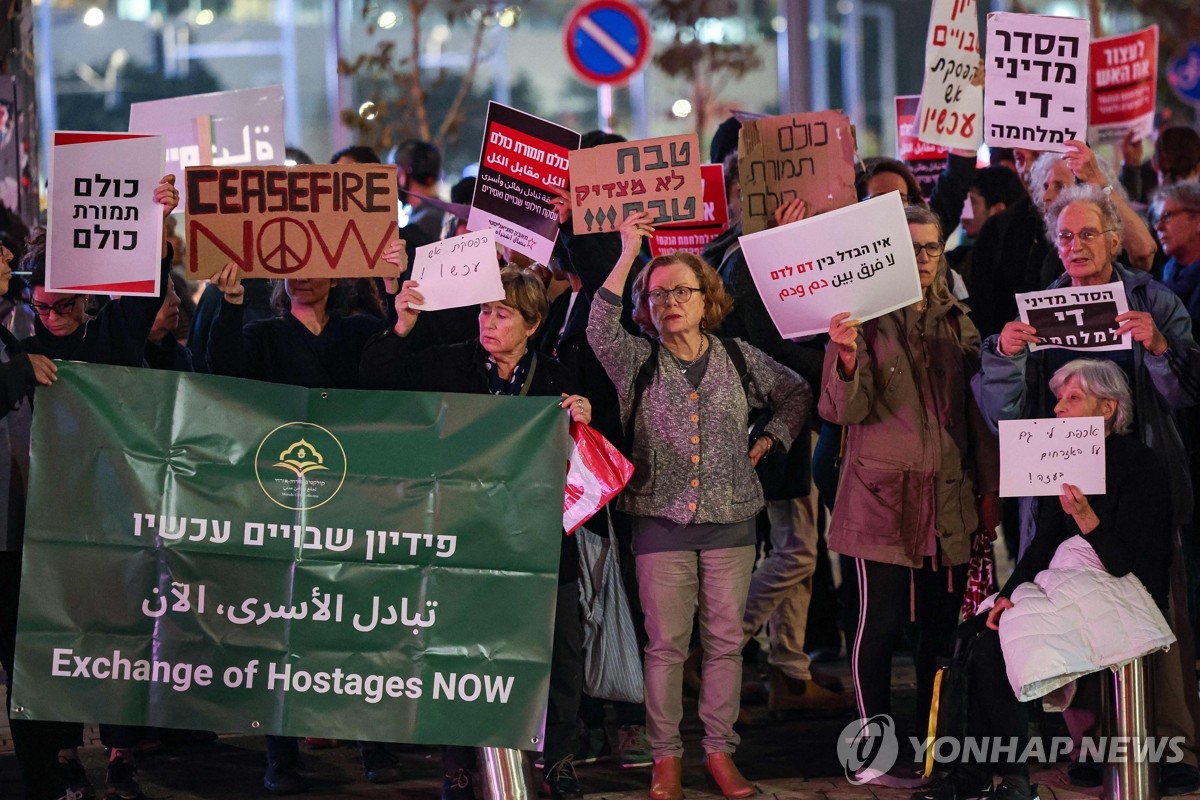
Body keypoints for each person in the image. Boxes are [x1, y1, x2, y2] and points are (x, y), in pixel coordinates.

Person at [979, 182, 1200, 793]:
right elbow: (1006, 414)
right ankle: (1091, 745)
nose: (1076, 245)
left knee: (1154, 607)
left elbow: (1189, 394)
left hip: (1142, 484)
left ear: (1113, 238)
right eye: (1065, 236)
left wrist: (1157, 345)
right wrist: (1003, 354)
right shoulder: (1036, 313)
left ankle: (1173, 745)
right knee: (1066, 605)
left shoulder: (1154, 299)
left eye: (1088, 234)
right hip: (1062, 490)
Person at [587, 212, 808, 800]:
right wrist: (629, 250)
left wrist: (770, 439)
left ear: (706, 298)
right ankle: (665, 759)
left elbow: (796, 392)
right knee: (665, 647)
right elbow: (598, 326)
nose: (669, 302)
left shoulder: (737, 358)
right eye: (657, 295)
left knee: (727, 642)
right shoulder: (637, 361)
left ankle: (719, 754)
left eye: (682, 290)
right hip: (659, 523)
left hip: (732, 522)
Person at [361, 265, 593, 800]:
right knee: (457, 655)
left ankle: (557, 762)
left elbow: (581, 469)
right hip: (462, 541)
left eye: (503, 313)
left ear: (532, 324)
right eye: (485, 311)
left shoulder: (557, 379)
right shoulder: (449, 364)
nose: (489, 322)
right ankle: (459, 768)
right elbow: (378, 382)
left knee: (559, 657)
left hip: (540, 546)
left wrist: (584, 416)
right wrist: (401, 327)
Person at [923, 359, 1176, 800]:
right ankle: (976, 775)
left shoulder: (1141, 464)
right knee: (978, 633)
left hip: (1121, 586)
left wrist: (1084, 516)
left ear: (1107, 408)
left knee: (1010, 639)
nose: (1058, 408)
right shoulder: (1062, 462)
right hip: (1064, 576)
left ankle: (1014, 780)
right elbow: (1041, 545)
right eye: (1059, 397)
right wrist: (1008, 594)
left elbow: (1125, 564)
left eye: (1073, 398)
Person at [207, 240, 406, 794]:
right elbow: (224, 373)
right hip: (285, 500)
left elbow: (393, 368)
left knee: (361, 622)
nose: (303, 277)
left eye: (315, 266)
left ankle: (374, 742)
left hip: (356, 498)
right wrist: (225, 303)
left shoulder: (359, 330)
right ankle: (282, 756)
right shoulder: (262, 334)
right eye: (289, 267)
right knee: (284, 629)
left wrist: (396, 290)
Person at [820, 205, 999, 788]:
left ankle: (935, 747)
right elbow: (841, 410)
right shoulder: (864, 319)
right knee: (879, 622)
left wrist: (990, 493)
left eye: (932, 248)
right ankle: (872, 750)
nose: (923, 259)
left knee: (942, 630)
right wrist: (845, 358)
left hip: (948, 498)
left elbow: (978, 418)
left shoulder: (957, 320)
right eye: (912, 248)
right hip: (881, 497)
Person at [19, 173, 179, 800]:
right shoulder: (21, 347)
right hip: (47, 515)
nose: (50, 316)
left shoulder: (109, 336)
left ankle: (120, 750)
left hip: (113, 508)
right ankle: (60, 752)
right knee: (53, 633)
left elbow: (143, 298)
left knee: (119, 629)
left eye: (62, 305)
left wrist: (158, 225)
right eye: (40, 306)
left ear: (85, 300)